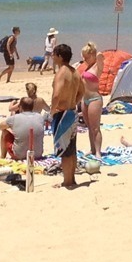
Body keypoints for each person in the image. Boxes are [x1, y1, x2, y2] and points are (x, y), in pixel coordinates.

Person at [50, 43, 84, 188]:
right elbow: (82, 92)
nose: (52, 57)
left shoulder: (62, 72)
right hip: (72, 112)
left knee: (64, 150)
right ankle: (72, 179)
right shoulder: (75, 72)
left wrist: (52, 110)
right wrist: (73, 102)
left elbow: (56, 94)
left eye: (54, 54)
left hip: (62, 113)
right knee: (71, 148)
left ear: (59, 56)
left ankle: (67, 181)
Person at [0, 96, 45, 160]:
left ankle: (2, 156)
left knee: (5, 131)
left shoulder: (15, 118)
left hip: (19, 155)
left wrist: (12, 127)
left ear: (20, 107)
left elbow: (0, 126)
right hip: (37, 154)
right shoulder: (40, 117)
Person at [80, 42, 105, 156]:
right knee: (89, 127)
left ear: (92, 54)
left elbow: (100, 55)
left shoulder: (97, 66)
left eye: (87, 57)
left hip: (94, 99)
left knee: (95, 127)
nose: (85, 59)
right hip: (84, 99)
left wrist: (93, 50)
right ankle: (92, 149)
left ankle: (98, 151)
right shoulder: (88, 67)